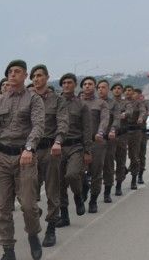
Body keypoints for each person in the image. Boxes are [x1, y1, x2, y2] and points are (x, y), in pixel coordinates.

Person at [0, 60, 45, 260]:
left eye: (17, 71)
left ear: (25, 75)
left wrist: (29, 148)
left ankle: (33, 234)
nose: (13, 74)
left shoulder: (34, 99)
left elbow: (38, 125)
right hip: (2, 159)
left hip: (24, 158)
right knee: (2, 210)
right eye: (10, 71)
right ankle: (8, 252)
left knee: (28, 205)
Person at [30, 64, 68, 247]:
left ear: (47, 77)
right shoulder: (27, 98)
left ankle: (51, 228)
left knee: (52, 191)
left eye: (39, 75)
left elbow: (62, 122)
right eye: (33, 76)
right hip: (30, 150)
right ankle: (33, 212)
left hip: (50, 149)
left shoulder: (57, 100)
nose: (36, 79)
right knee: (25, 191)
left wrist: (58, 141)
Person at [55, 74, 93, 226]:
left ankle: (78, 195)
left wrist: (87, 151)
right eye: (64, 83)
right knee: (59, 184)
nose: (66, 85)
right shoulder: (56, 102)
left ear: (75, 84)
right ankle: (64, 216)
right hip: (58, 146)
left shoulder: (81, 105)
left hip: (76, 146)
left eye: (69, 82)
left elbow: (87, 129)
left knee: (71, 174)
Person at [80, 76, 109, 213]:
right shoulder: (78, 103)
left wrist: (100, 132)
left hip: (96, 142)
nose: (87, 86)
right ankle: (85, 186)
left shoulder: (101, 103)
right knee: (78, 171)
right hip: (80, 142)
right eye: (85, 84)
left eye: (90, 84)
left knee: (96, 172)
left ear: (95, 87)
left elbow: (104, 119)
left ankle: (93, 200)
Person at [96, 80, 119, 204]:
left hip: (108, 138)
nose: (101, 89)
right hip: (94, 139)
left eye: (103, 87)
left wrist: (113, 130)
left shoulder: (113, 103)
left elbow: (116, 118)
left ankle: (107, 192)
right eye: (99, 87)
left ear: (108, 89)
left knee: (108, 165)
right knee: (93, 166)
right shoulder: (94, 102)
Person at [120, 85, 143, 188]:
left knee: (134, 156)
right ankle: (124, 169)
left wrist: (141, 118)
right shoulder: (120, 103)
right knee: (118, 154)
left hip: (135, 131)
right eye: (126, 90)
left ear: (133, 92)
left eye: (130, 90)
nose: (127, 92)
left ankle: (134, 178)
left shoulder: (138, 103)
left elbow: (143, 111)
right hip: (123, 131)